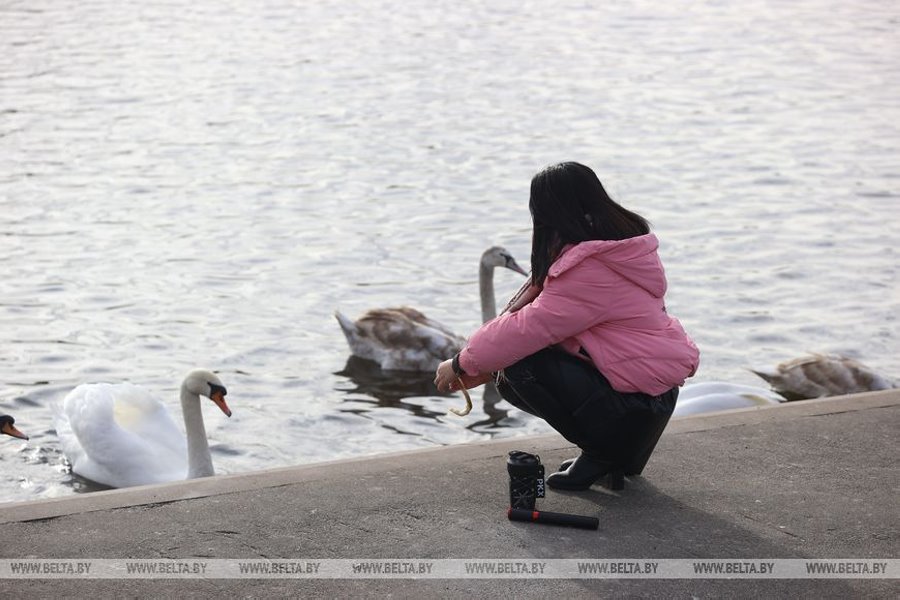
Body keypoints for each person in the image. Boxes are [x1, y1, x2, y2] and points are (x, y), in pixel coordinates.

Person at [434, 162, 699, 491]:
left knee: (520, 366)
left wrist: (461, 362)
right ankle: (609, 457)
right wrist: (487, 365)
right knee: (510, 366)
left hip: (638, 404)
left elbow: (527, 328)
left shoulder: (591, 271)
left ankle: (602, 454)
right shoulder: (615, 249)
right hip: (648, 396)